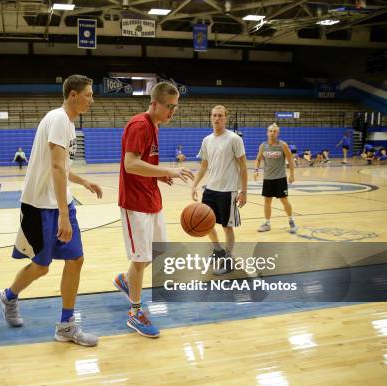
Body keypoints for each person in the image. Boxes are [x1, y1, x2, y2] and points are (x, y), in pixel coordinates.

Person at [0, 75, 103, 347]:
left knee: (76, 259)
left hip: (59, 202)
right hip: (39, 206)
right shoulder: (58, 119)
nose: (92, 100)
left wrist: (83, 181)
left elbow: (62, 168)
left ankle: (66, 325)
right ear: (72, 95)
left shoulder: (66, 122)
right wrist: (64, 216)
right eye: (88, 95)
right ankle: (9, 296)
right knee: (42, 267)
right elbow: (55, 168)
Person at [113, 82, 194, 338]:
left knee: (154, 254)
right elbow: (131, 164)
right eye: (169, 107)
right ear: (155, 103)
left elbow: (145, 165)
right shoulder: (140, 125)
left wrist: (158, 177)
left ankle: (126, 281)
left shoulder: (155, 126)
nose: (172, 111)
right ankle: (135, 313)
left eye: (175, 107)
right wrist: (168, 171)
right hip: (135, 203)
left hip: (152, 199)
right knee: (140, 259)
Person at [191, 105, 247, 276]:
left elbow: (243, 167)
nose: (216, 118)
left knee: (226, 228)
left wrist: (243, 191)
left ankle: (229, 260)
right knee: (206, 225)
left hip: (228, 191)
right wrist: (194, 185)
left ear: (225, 118)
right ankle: (218, 250)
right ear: (210, 117)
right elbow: (204, 165)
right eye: (214, 115)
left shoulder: (234, 139)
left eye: (220, 116)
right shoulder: (207, 140)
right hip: (210, 189)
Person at [254, 123, 298, 234]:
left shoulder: (282, 145)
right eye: (270, 131)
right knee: (267, 201)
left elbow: (291, 159)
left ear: (278, 133)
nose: (272, 133)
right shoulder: (263, 146)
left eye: (274, 131)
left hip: (280, 178)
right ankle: (267, 223)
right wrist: (256, 170)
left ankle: (292, 221)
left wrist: (292, 174)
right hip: (268, 178)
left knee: (284, 200)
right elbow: (258, 159)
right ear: (267, 133)